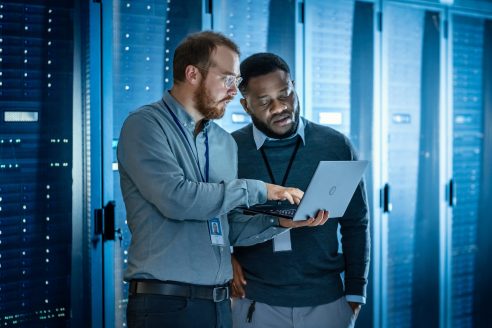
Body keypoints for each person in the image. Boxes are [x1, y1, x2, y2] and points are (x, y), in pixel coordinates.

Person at [117, 32, 328, 328]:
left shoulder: (222, 142)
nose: (234, 92)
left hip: (218, 305)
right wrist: (261, 189)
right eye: (227, 79)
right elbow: (177, 200)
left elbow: (228, 228)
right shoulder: (145, 126)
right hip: (166, 304)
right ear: (192, 74)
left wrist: (280, 223)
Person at [230, 53, 370, 328]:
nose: (280, 107)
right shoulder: (231, 151)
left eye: (285, 94)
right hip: (255, 304)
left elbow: (356, 224)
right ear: (246, 106)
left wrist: (355, 294)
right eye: (264, 101)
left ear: (294, 86)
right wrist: (226, 257)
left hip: (326, 304)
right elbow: (214, 219)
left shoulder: (334, 145)